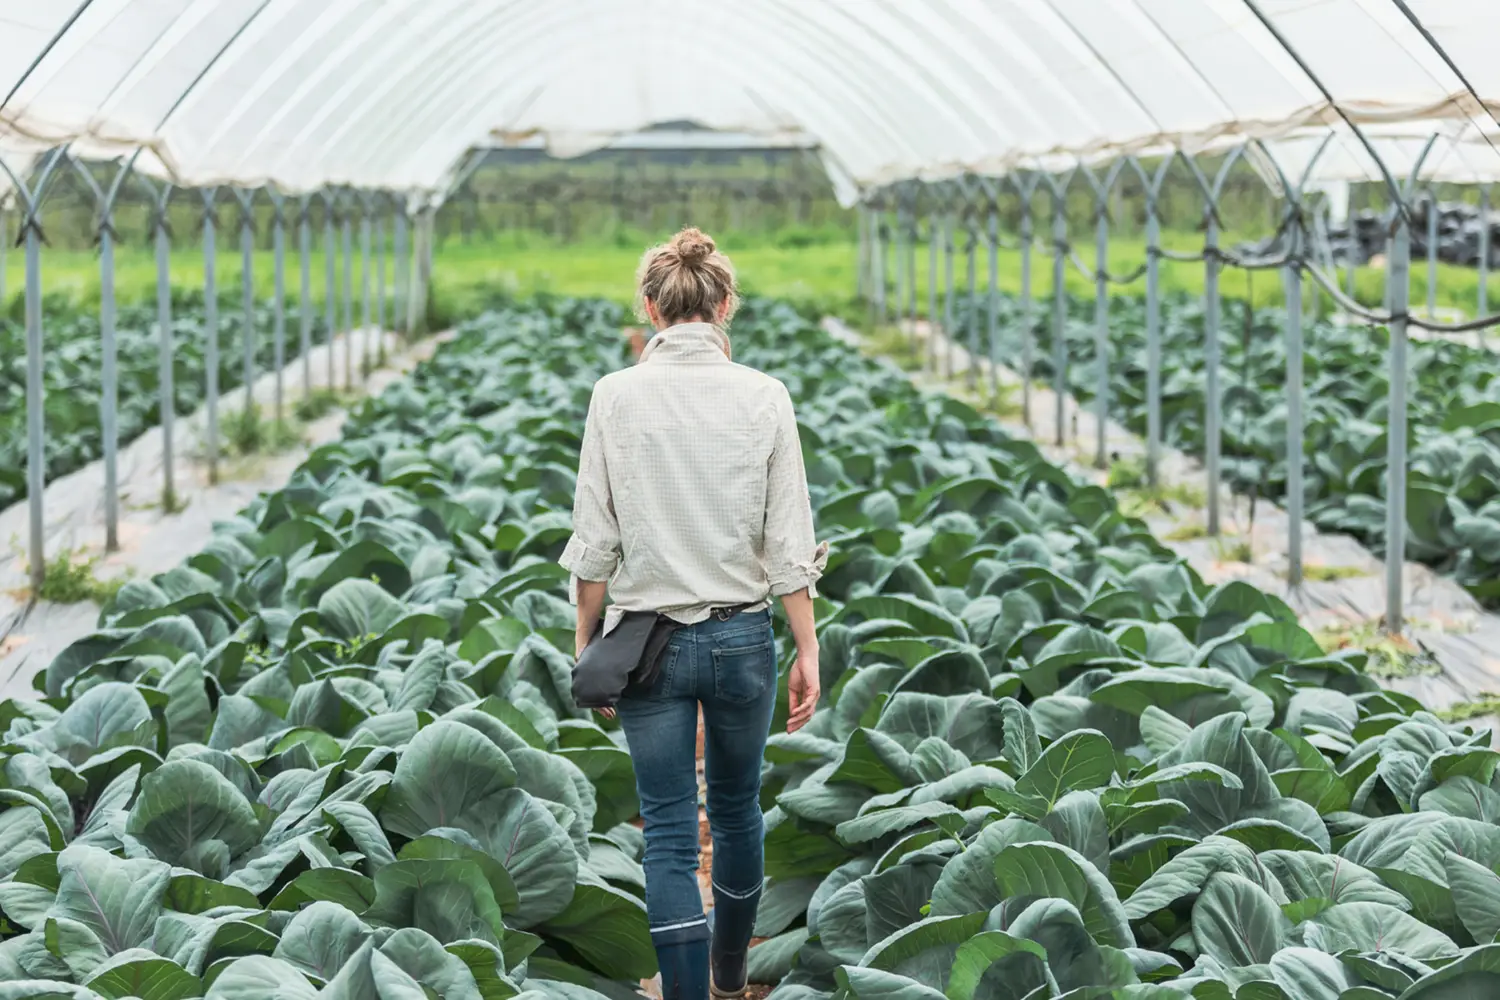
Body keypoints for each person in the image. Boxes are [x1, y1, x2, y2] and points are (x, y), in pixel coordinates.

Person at [560, 227, 826, 1000]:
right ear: (725, 305)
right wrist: (806, 647)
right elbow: (789, 542)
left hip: (646, 641)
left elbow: (595, 539)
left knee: (671, 830)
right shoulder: (764, 395)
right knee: (739, 810)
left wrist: (587, 640)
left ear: (650, 307)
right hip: (743, 635)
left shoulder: (615, 395)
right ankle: (731, 978)